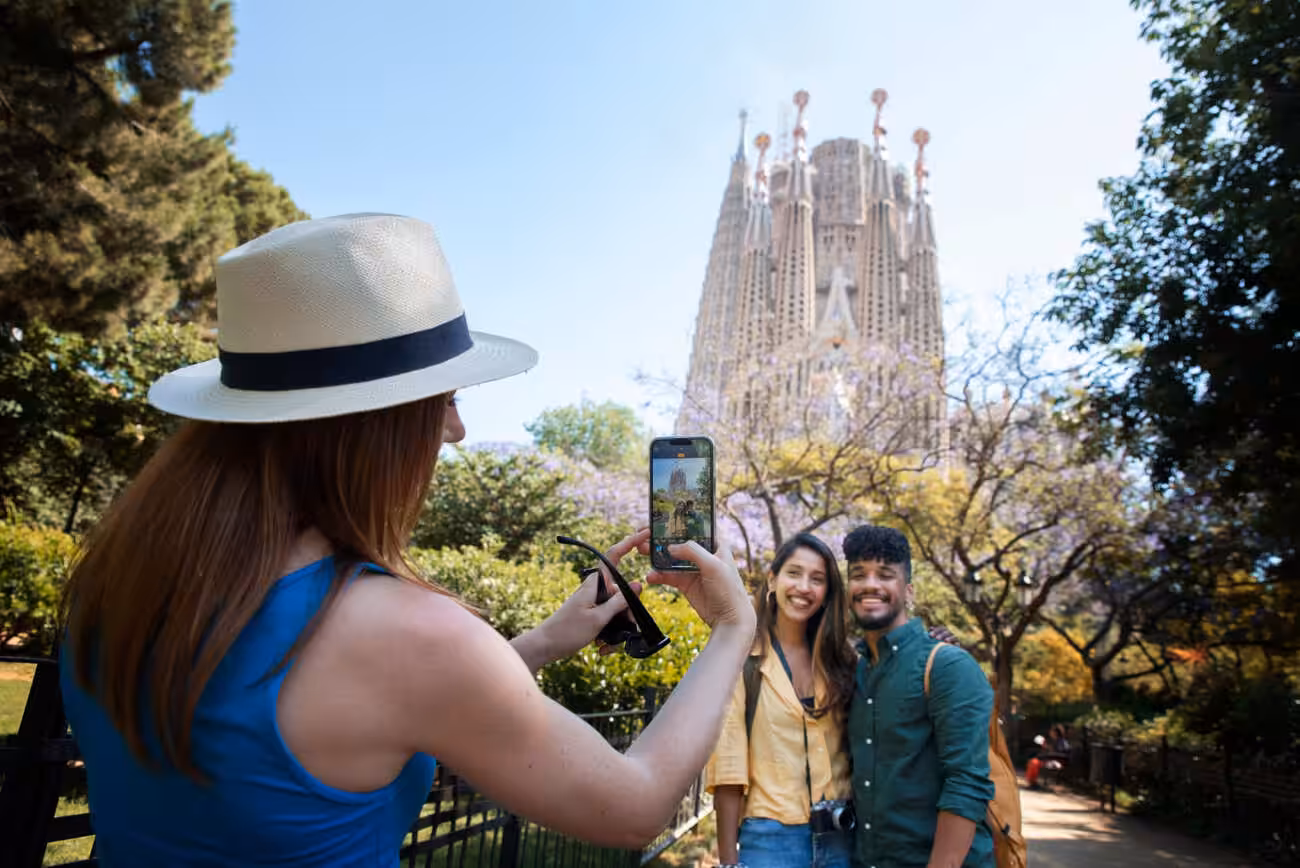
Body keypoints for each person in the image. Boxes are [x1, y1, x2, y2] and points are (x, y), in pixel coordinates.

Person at [57, 213, 756, 867]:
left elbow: (330, 716)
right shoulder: (408, 633)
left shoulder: (115, 583)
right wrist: (731, 626)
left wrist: (539, 644)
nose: (455, 429)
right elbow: (634, 806)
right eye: (445, 399)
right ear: (375, 425)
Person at [843, 526, 995, 868]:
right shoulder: (856, 673)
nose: (870, 584)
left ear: (908, 591)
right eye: (858, 575)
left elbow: (966, 785)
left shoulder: (948, 666)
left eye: (885, 575)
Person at [707, 533, 858, 868]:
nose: (804, 587)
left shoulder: (844, 660)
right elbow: (729, 771)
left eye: (817, 579)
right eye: (794, 573)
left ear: (827, 594)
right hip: (771, 843)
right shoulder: (743, 659)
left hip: (843, 839)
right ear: (773, 580)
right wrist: (729, 863)